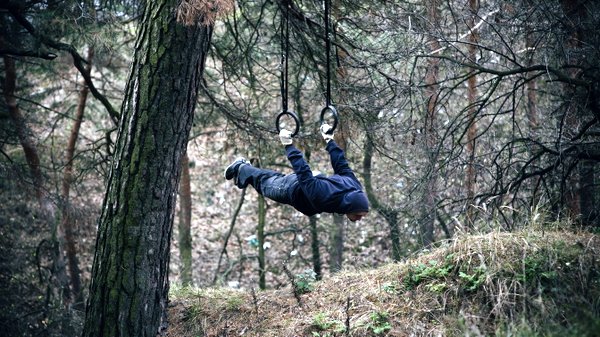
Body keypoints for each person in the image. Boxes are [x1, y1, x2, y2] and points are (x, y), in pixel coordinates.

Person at [224, 124, 369, 222]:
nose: (359, 219)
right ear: (351, 206)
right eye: (358, 215)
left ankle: (245, 170)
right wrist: (288, 145)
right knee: (264, 185)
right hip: (291, 190)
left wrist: (329, 140)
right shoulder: (324, 195)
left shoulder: (354, 186)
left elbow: (341, 164)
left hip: (302, 187)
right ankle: (241, 168)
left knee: (270, 179)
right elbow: (303, 172)